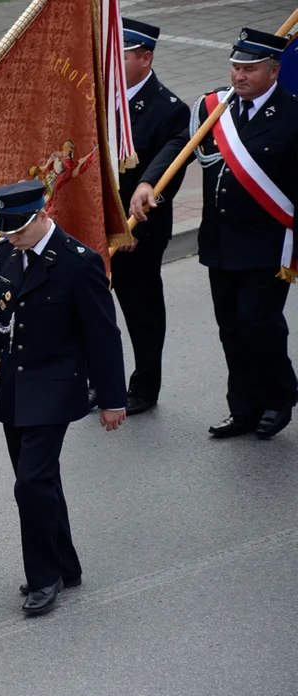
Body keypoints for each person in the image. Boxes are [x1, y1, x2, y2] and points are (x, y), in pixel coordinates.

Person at [0, 180, 127, 616]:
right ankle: (67, 565)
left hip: (56, 386)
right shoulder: (4, 255)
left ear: (43, 215)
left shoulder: (79, 263)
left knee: (30, 482)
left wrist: (112, 398)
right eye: (5, 229)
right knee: (41, 481)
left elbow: (103, 336)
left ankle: (44, 576)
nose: (10, 237)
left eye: (18, 229)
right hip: (17, 387)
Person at [131, 28, 297, 439]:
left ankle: (280, 397)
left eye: (250, 69)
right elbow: (179, 148)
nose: (239, 76)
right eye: (236, 67)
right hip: (220, 241)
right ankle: (243, 407)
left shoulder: (293, 116)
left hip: (268, 243)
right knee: (231, 328)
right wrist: (149, 181)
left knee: (258, 322)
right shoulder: (214, 107)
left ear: (274, 70)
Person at [111, 18, 191, 415]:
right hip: (93, 222)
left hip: (137, 227)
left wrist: (148, 183)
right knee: (88, 309)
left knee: (139, 305)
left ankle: (144, 384)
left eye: (121, 55)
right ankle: (99, 382)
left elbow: (174, 155)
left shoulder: (170, 110)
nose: (112, 62)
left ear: (145, 58)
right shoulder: (98, 97)